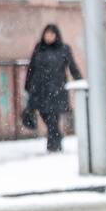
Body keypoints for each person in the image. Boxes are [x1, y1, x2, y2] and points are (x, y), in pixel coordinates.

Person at [24, 24, 82, 152]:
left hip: (57, 90)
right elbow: (31, 68)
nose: (48, 37)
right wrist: (27, 85)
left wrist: (80, 81)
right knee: (46, 116)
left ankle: (53, 146)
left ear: (56, 36)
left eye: (51, 34)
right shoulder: (39, 48)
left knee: (53, 119)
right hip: (40, 90)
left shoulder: (64, 49)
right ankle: (57, 139)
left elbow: (72, 67)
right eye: (47, 34)